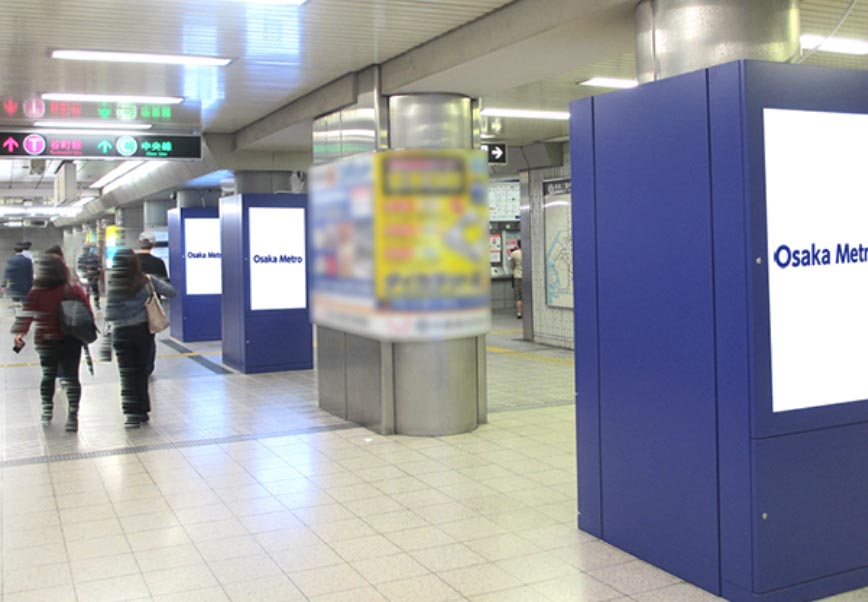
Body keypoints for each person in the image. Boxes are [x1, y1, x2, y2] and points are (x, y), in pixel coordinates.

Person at [11, 255, 92, 432]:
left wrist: (20, 334)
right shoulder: (73, 289)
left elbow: (27, 315)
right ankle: (73, 416)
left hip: (46, 341)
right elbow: (87, 311)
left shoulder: (36, 292)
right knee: (72, 377)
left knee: (48, 376)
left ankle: (47, 410)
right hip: (71, 340)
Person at [106, 249, 175, 428]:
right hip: (143, 332)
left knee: (127, 374)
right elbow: (171, 291)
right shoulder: (146, 280)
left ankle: (131, 415)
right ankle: (143, 411)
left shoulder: (115, 285)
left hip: (122, 334)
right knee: (141, 372)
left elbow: (111, 313)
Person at [136, 232, 169, 375]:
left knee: (135, 335)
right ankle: (148, 366)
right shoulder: (158, 263)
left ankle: (137, 364)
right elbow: (165, 285)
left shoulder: (131, 262)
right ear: (153, 245)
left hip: (132, 305)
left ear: (139, 242)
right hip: (152, 304)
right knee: (150, 336)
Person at [2, 243, 33, 308]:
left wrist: (3, 285)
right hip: (25, 287)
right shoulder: (28, 261)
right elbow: (30, 274)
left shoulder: (11, 260)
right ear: (23, 250)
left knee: (16, 304)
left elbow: (7, 273)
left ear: (14, 250)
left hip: (14, 287)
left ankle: (18, 317)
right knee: (25, 305)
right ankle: (24, 316)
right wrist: (31, 286)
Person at [77, 243, 103, 309]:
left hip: (93, 277)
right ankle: (86, 303)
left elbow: (99, 266)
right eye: (84, 249)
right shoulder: (81, 257)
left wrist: (97, 274)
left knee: (95, 290)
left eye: (86, 249)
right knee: (86, 291)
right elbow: (79, 267)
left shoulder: (95, 257)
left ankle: (96, 303)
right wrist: (84, 273)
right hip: (85, 277)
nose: (85, 250)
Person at [509, 240, 523, 319]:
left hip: (518, 276)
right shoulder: (530, 253)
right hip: (529, 277)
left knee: (519, 297)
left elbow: (512, 266)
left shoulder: (514, 254)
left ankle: (519, 313)